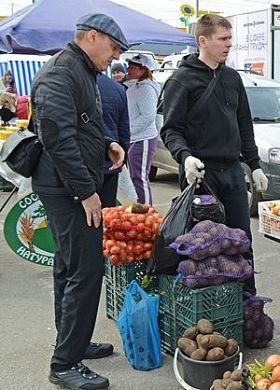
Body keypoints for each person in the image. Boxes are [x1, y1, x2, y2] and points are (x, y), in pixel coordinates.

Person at [29, 13, 128, 390]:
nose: (116, 56)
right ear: (91, 37)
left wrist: (107, 144)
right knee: (85, 271)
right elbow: (57, 138)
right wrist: (85, 192)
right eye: (113, 47)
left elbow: (81, 126)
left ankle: (74, 343)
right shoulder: (61, 72)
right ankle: (65, 363)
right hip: (67, 189)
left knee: (69, 267)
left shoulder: (81, 71)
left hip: (72, 183)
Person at [160, 13, 268, 296]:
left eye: (230, 38)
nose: (229, 44)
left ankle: (247, 304)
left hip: (233, 173)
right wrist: (185, 157)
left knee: (240, 242)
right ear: (203, 41)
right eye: (223, 39)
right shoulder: (181, 81)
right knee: (203, 249)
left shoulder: (232, 78)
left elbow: (244, 124)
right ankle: (210, 310)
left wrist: (254, 165)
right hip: (201, 177)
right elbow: (171, 130)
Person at [124, 53, 160, 205]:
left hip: (143, 138)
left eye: (133, 67)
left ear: (143, 70)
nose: (129, 70)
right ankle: (142, 209)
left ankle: (147, 212)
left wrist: (128, 131)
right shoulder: (135, 87)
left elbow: (147, 116)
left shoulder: (145, 89)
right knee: (136, 177)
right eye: (129, 67)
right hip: (135, 138)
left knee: (140, 177)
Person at [97, 73, 130, 207]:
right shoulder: (117, 88)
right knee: (107, 214)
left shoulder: (70, 84)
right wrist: (122, 160)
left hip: (80, 165)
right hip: (111, 161)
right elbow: (124, 130)